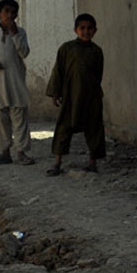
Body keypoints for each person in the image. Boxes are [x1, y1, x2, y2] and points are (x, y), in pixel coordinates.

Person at [45, 13, 106, 176]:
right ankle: (57, 164)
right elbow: (58, 71)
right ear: (75, 30)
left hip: (91, 97)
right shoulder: (66, 49)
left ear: (95, 31)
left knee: (94, 129)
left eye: (89, 29)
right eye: (82, 28)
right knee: (63, 129)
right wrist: (55, 93)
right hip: (70, 97)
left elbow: (98, 75)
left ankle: (93, 163)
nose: (86, 32)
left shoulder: (97, 51)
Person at [0, 0, 35, 165]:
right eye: (6, 11)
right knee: (1, 121)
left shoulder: (21, 33)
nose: (9, 15)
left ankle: (21, 152)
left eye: (13, 12)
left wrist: (15, 34)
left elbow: (24, 52)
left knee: (19, 119)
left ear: (17, 15)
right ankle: (5, 152)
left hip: (16, 82)